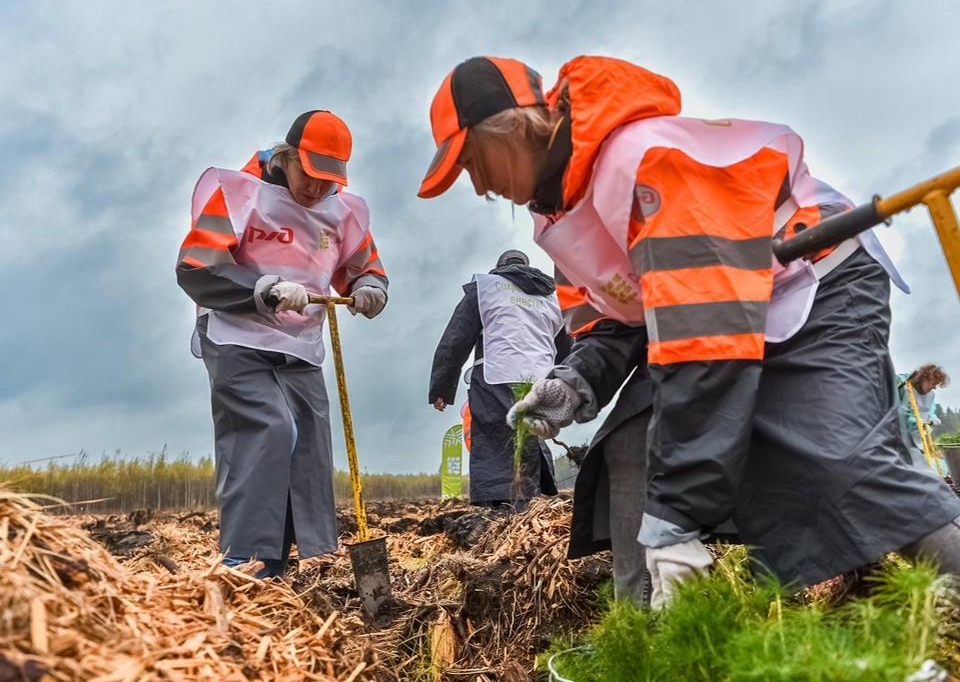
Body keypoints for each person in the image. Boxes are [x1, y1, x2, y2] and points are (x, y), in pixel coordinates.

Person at [418, 55, 960, 608]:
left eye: (473, 162)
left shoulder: (641, 163)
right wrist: (574, 380)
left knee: (845, 461)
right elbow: (617, 318)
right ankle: (642, 629)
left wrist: (676, 518)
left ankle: (947, 592)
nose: (478, 185)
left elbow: (706, 343)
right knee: (629, 436)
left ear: (511, 132)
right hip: (715, 312)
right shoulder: (556, 217)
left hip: (815, 279)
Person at [177, 110, 388, 578]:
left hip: (302, 346)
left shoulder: (343, 211)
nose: (315, 191)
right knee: (270, 429)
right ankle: (243, 560)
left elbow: (365, 264)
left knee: (308, 446)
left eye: (328, 182)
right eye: (308, 177)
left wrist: (372, 287)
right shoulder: (238, 195)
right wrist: (263, 289)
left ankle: (282, 560)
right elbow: (195, 266)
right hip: (238, 336)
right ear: (288, 157)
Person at [428, 249, 569, 510]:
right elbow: (565, 345)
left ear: (499, 268)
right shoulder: (553, 296)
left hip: (497, 373)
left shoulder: (485, 287)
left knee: (494, 435)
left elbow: (456, 339)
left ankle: (500, 506)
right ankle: (535, 497)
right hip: (541, 377)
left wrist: (442, 388)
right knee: (530, 434)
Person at [898, 364, 950, 451]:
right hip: (898, 439)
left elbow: (930, 411)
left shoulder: (930, 395)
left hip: (917, 442)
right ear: (923, 378)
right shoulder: (904, 385)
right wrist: (913, 420)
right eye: (933, 383)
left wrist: (932, 419)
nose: (934, 388)